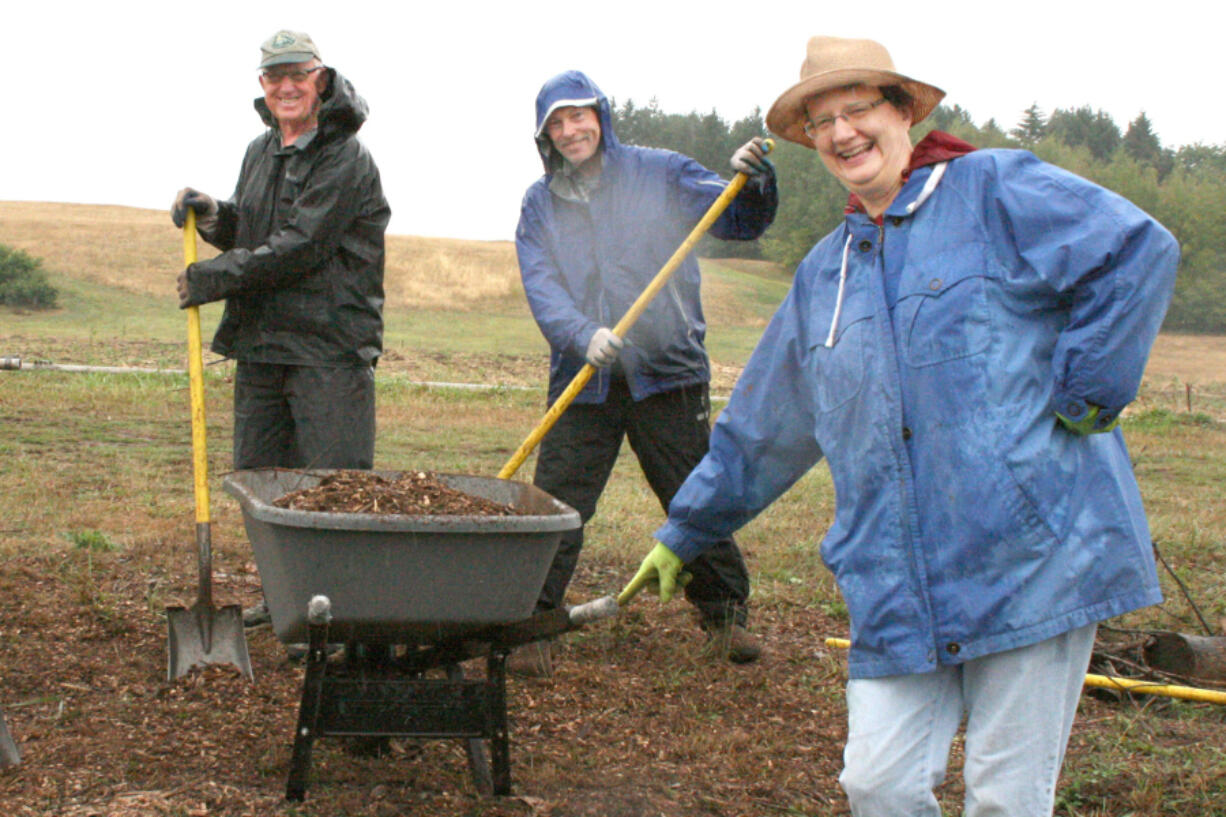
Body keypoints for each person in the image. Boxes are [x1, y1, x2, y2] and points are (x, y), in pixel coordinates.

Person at [620, 36, 1179, 816]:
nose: (843, 133)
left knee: (1004, 798)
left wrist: (1091, 386)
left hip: (1029, 559)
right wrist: (686, 529)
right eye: (822, 122)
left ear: (904, 112)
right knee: (876, 784)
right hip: (895, 581)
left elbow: (1135, 250)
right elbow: (765, 425)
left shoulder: (993, 189)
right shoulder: (825, 275)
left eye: (858, 109)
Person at [513, 70, 779, 676]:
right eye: (556, 123)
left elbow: (738, 219)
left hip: (667, 369)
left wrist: (754, 180)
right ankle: (532, 622)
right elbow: (543, 285)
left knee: (692, 489)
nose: (570, 130)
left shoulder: (659, 173)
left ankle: (724, 613)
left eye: (578, 116)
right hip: (586, 377)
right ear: (546, 136)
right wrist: (582, 335)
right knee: (559, 500)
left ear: (601, 116)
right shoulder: (540, 202)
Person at [171, 30, 390, 630]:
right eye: (274, 77)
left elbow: (301, 246)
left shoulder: (346, 156)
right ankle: (288, 602)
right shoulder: (260, 150)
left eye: (298, 75)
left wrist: (213, 278)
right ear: (263, 87)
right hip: (263, 348)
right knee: (263, 483)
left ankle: (339, 616)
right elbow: (256, 231)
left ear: (321, 81)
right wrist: (215, 214)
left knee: (332, 490)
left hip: (328, 350)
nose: (286, 86)